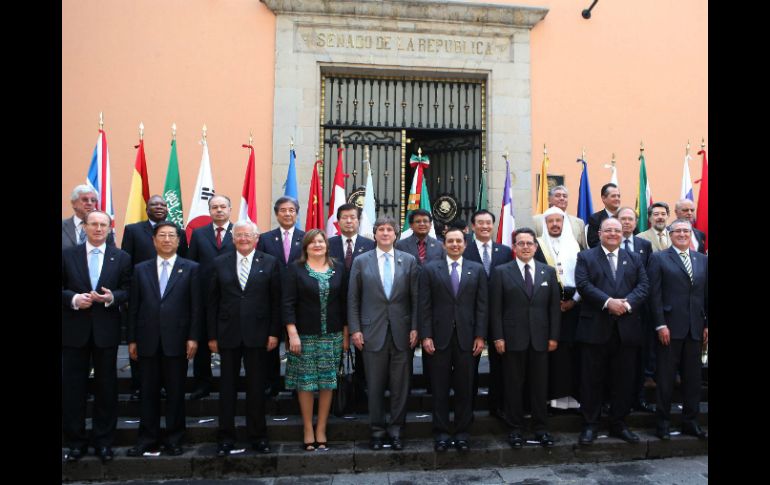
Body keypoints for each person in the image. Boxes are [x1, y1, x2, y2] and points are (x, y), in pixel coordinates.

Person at [126, 221, 201, 457]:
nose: (167, 239)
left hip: (177, 340)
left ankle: (174, 438)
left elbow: (196, 307)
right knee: (148, 392)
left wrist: (193, 337)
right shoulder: (140, 269)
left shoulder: (191, 268)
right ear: (154, 240)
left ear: (179, 241)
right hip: (147, 339)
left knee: (176, 392)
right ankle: (147, 438)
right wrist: (132, 339)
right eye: (162, 235)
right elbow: (133, 307)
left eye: (172, 235)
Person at [62, 210, 131, 463]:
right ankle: (76, 442)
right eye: (94, 224)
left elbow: (128, 290)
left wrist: (111, 298)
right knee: (72, 390)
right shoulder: (67, 255)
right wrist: (73, 299)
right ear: (85, 228)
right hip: (73, 333)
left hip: (106, 333)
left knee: (106, 389)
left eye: (103, 225)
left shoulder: (121, 257)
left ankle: (104, 442)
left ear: (110, 228)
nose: (98, 229)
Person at [207, 220, 281, 456]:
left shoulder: (269, 263)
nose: (243, 239)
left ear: (256, 238)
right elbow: (212, 303)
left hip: (258, 335)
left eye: (248, 235)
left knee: (256, 388)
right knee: (227, 388)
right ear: (233, 238)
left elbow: (275, 302)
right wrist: (211, 336)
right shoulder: (219, 263)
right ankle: (226, 437)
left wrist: (273, 332)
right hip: (227, 335)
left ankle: (258, 435)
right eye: (239, 235)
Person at [575, 218, 649, 445]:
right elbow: (583, 285)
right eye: (609, 230)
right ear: (599, 233)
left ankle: (619, 423)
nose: (613, 234)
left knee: (623, 380)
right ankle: (590, 425)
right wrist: (608, 302)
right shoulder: (585, 257)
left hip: (626, 330)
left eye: (617, 230)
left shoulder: (634, 258)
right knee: (591, 380)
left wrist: (625, 305)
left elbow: (644, 286)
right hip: (595, 328)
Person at [348, 215, 419, 451]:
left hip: (402, 332)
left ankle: (397, 430)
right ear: (375, 234)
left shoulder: (408, 261)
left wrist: (415, 327)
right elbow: (353, 299)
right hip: (370, 333)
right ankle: (377, 431)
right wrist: (355, 330)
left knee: (400, 386)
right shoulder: (361, 261)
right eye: (381, 230)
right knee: (375, 386)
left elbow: (416, 299)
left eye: (390, 229)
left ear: (396, 234)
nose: (386, 233)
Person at [419, 227, 488, 452]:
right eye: (451, 241)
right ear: (443, 244)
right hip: (438, 338)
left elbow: (482, 306)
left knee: (465, 387)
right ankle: (440, 431)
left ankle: (462, 432)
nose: (455, 244)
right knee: (439, 387)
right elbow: (425, 306)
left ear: (465, 245)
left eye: (459, 241)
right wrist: (426, 335)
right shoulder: (430, 270)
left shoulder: (476, 270)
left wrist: (480, 335)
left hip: (468, 338)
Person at [491, 228, 560, 448]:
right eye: (521, 243)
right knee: (513, 385)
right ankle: (515, 429)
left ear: (536, 246)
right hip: (512, 339)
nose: (526, 247)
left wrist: (553, 337)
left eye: (529, 243)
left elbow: (553, 309)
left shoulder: (547, 272)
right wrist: (498, 337)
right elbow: (496, 309)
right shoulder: (501, 271)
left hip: (541, 339)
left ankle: (541, 428)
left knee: (539, 386)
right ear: (514, 247)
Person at [283, 229, 350, 451]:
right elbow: (288, 303)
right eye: (313, 242)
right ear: (306, 247)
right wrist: (292, 332)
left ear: (327, 245)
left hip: (332, 336)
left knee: (327, 383)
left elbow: (344, 303)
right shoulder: (295, 269)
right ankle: (307, 428)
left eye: (321, 241)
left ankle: (321, 427)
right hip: (304, 336)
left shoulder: (339, 268)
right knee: (306, 383)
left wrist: (346, 335)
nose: (317, 245)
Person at [121, 194, 188, 401]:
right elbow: (126, 262)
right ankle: (139, 386)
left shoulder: (178, 232)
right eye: (154, 204)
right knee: (142, 347)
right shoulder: (133, 230)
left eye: (162, 204)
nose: (159, 207)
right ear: (147, 208)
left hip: (173, 296)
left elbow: (183, 260)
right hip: (143, 294)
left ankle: (167, 386)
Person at [648, 219, 708, 440]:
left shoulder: (702, 260)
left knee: (693, 380)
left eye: (686, 231)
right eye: (678, 231)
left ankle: (690, 422)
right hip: (669, 329)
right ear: (670, 234)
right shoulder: (659, 258)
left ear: (691, 234)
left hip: (695, 328)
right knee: (665, 379)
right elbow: (654, 295)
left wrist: (706, 324)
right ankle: (662, 423)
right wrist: (660, 324)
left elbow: (705, 294)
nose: (682, 234)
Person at [463, 209, 512, 421]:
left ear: (493, 226)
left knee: (500, 364)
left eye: (488, 223)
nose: (484, 226)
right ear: (473, 226)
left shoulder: (505, 251)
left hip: (500, 316)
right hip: (472, 316)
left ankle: (497, 406)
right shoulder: (465, 250)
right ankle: (468, 407)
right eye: (480, 223)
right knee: (469, 364)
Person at [534, 207, 582, 413]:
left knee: (569, 355)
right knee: (549, 355)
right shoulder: (537, 246)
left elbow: (583, 278)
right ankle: (549, 400)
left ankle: (569, 400)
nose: (554, 224)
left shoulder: (575, 246)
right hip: (544, 309)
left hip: (572, 307)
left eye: (558, 221)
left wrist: (574, 301)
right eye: (550, 221)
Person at [187, 195, 235, 400]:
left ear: (230, 209)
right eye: (214, 207)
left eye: (223, 206)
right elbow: (191, 264)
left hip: (232, 297)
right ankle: (202, 384)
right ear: (209, 211)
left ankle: (229, 384)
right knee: (203, 343)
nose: (219, 210)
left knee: (230, 345)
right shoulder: (198, 234)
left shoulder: (240, 232)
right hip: (204, 297)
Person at [257, 196, 306, 397]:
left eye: (291, 210)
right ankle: (272, 382)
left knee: (299, 342)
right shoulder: (265, 238)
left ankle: (298, 383)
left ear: (296, 213)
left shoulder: (306, 238)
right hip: (271, 298)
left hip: (300, 299)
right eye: (283, 210)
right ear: (277, 214)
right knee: (272, 341)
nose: (287, 214)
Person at [327, 203, 375, 405]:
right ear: (337, 222)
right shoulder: (328, 244)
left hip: (364, 310)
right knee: (334, 358)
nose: (348, 221)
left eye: (352, 217)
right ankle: (335, 400)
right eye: (344, 217)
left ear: (358, 220)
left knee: (364, 358)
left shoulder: (370, 244)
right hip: (334, 309)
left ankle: (361, 398)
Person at [617, 207, 656, 414]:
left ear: (636, 222)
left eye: (630, 219)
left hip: (639, 310)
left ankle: (638, 398)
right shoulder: (609, 243)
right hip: (614, 309)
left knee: (640, 359)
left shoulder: (644, 245)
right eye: (622, 218)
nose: (626, 222)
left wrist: (635, 301)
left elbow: (647, 278)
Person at [62, 184, 115, 249]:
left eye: (93, 200)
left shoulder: (104, 227)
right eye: (85, 200)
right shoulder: (63, 226)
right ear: (74, 203)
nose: (90, 203)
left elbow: (112, 252)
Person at [586, 183, 622, 249]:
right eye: (613, 196)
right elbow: (593, 243)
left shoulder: (626, 218)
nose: (617, 198)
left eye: (618, 196)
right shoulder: (595, 219)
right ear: (603, 198)